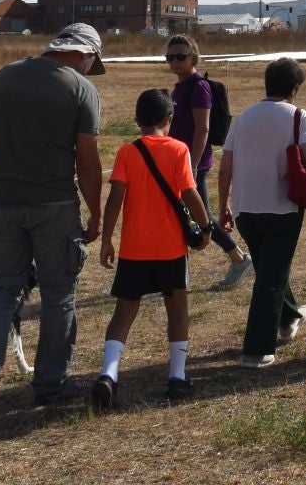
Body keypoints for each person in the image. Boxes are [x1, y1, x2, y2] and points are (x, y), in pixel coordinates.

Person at [0, 22, 105, 418]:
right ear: (86, 53)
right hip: (55, 205)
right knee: (58, 294)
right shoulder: (80, 88)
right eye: (92, 62)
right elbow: (87, 160)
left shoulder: (4, 76)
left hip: (2, 203)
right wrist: (97, 211)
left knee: (0, 290)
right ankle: (50, 385)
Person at [92, 88, 211, 410]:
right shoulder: (178, 149)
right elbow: (189, 192)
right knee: (177, 309)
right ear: (168, 120)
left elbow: (115, 198)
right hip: (170, 248)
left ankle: (108, 374)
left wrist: (107, 239)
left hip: (134, 249)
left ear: (137, 120)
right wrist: (206, 226)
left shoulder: (126, 153)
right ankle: (177, 375)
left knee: (124, 312)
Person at [217, 56, 306, 368]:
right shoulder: (298, 116)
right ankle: (257, 349)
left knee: (268, 267)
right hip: (282, 207)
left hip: (245, 207)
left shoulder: (244, 118)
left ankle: (290, 315)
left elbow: (225, 166)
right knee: (271, 276)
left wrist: (223, 205)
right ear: (294, 88)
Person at [163, 36, 253, 290]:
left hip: (194, 163)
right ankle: (236, 258)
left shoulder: (198, 86)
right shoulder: (179, 87)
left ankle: (239, 257)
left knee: (201, 213)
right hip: (180, 160)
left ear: (194, 57)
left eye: (181, 57)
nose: (175, 62)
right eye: (170, 57)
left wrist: (191, 164)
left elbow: (203, 128)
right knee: (191, 212)